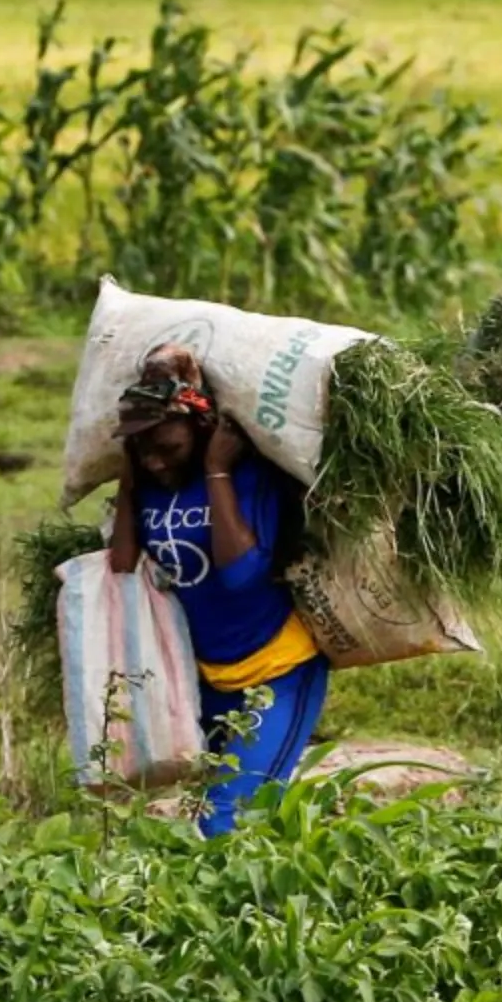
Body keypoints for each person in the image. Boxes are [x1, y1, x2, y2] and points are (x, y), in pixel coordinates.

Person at [107, 346, 327, 838]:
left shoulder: (248, 477)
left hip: (279, 672)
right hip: (206, 679)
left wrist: (217, 472)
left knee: (223, 817)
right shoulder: (148, 484)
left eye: (169, 448)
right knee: (238, 805)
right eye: (144, 450)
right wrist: (128, 478)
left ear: (202, 431)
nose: (157, 462)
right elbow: (121, 567)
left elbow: (242, 574)